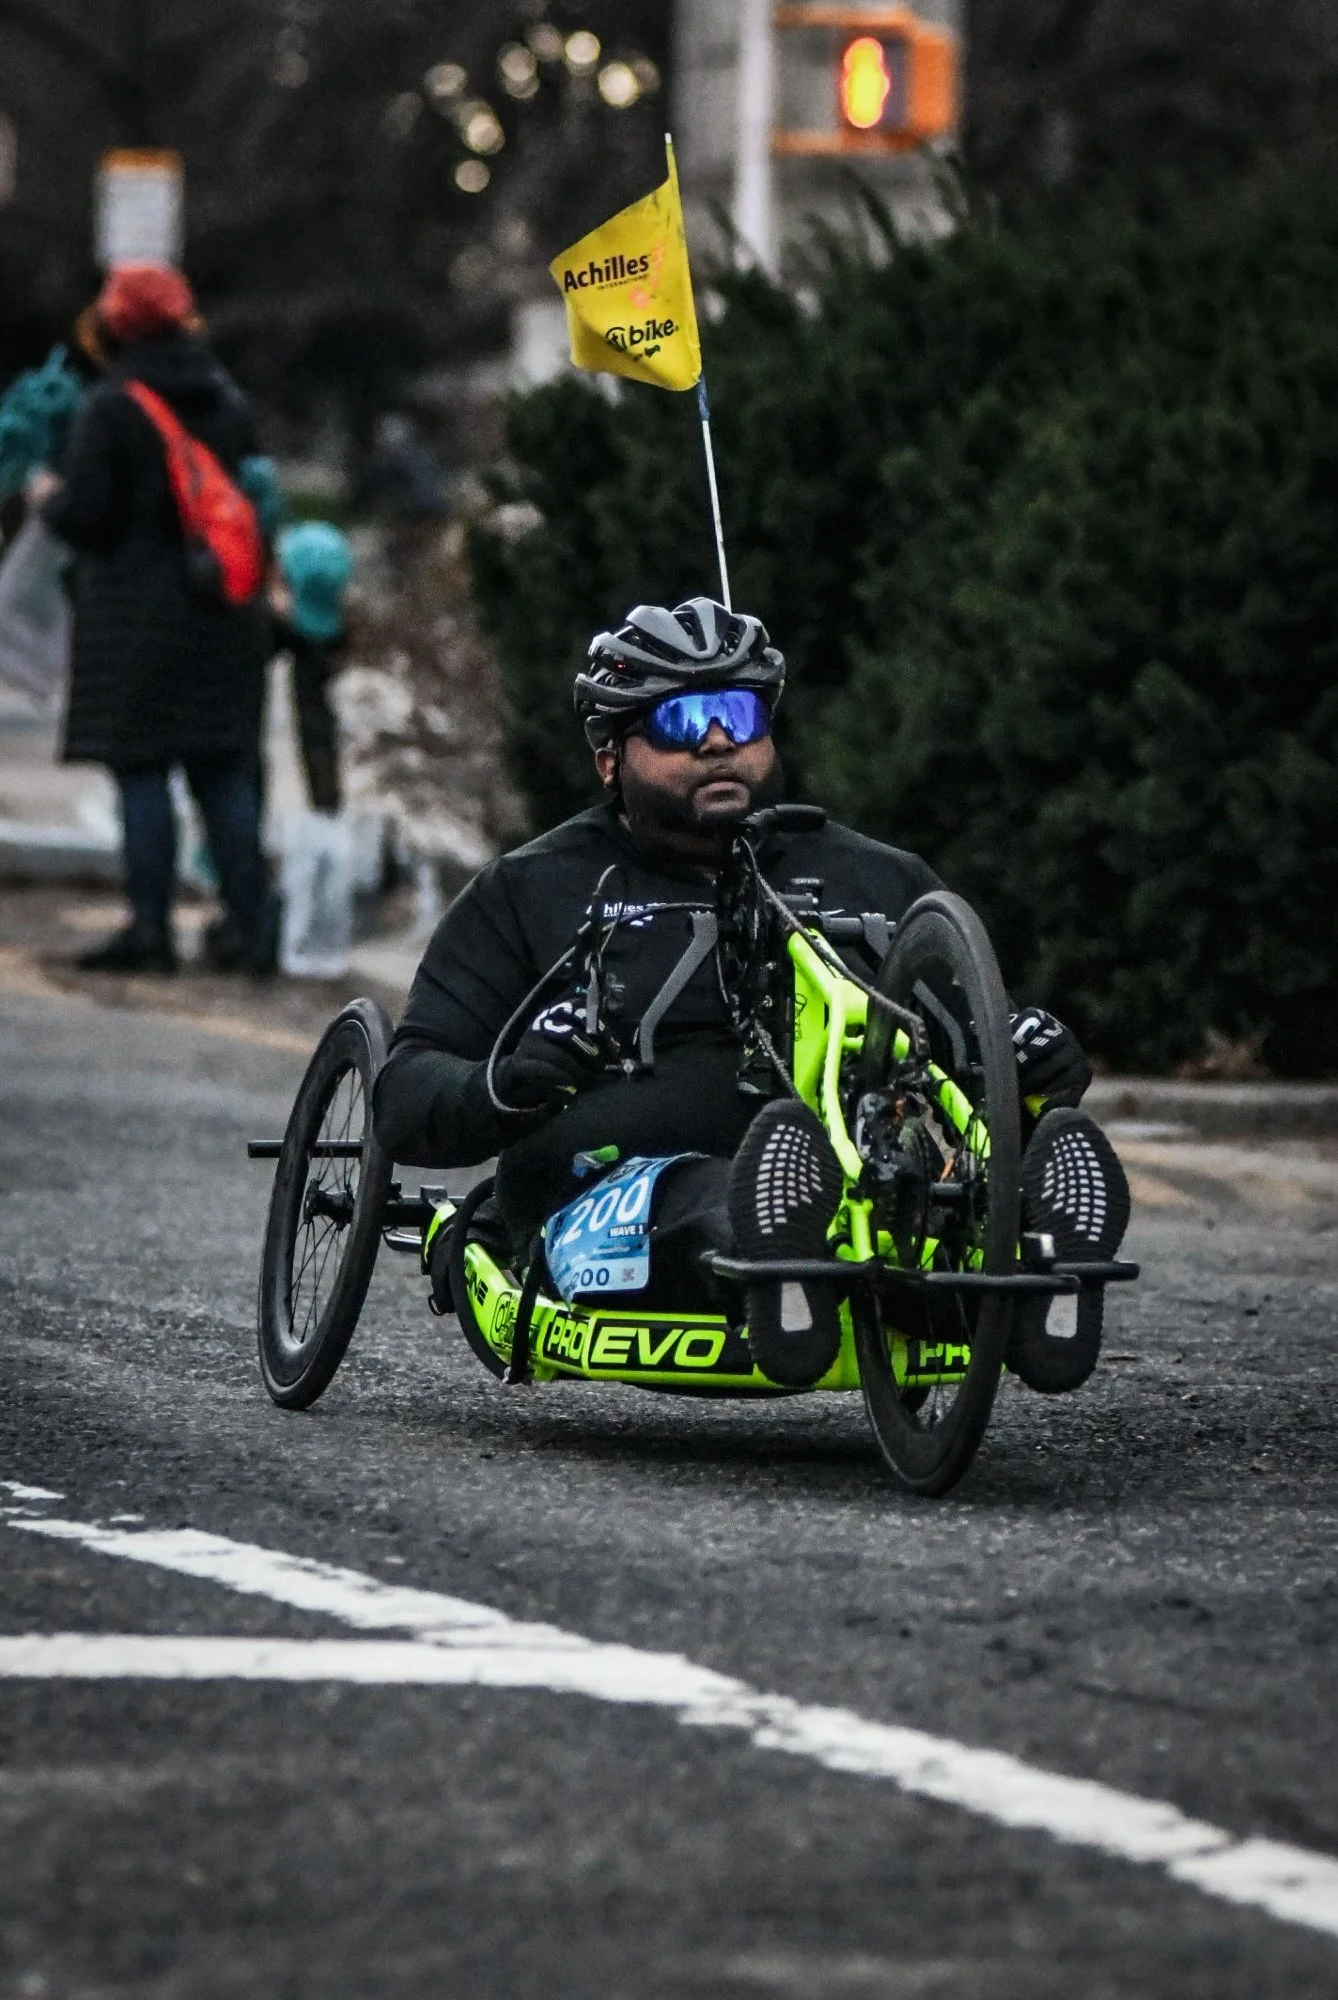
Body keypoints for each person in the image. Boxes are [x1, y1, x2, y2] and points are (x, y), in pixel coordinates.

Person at [374, 596, 1127, 1386]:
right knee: (717, 1198)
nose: (717, 740)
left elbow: (971, 1047)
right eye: (678, 721)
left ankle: (1037, 1258)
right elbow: (404, 1094)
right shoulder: (531, 889)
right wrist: (504, 1083)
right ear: (610, 756)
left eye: (738, 711)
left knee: (925, 1190)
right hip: (618, 1173)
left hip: (867, 1166)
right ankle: (776, 1251)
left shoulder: (882, 877)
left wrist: (1025, 1054)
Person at [35, 263, 275, 975]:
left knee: (142, 773)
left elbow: (88, 515)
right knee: (223, 774)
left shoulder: (112, 405)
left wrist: (47, 494)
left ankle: (150, 930)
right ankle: (250, 928)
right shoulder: (227, 398)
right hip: (224, 614)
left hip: (137, 622)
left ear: (111, 324)